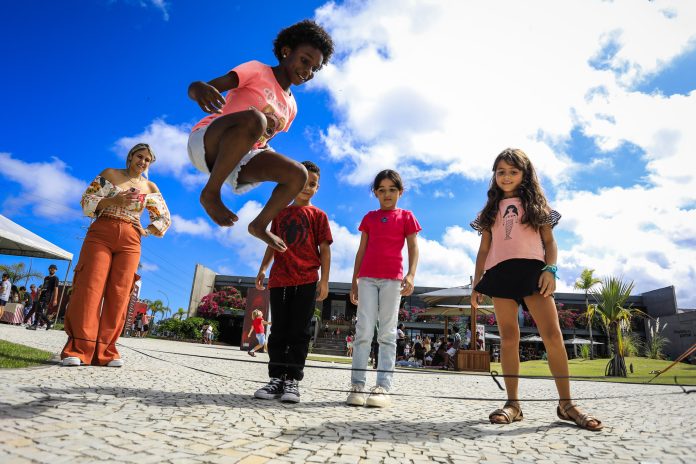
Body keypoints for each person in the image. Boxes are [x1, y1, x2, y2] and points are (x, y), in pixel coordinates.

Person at [470, 148, 602, 431]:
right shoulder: (489, 211)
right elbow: (484, 249)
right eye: (501, 171)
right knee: (508, 337)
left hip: (533, 273)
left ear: (525, 174)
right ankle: (513, 404)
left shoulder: (537, 206)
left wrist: (550, 269)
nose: (506, 177)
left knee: (553, 335)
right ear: (494, 175)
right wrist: (476, 283)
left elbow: (550, 243)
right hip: (499, 274)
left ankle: (566, 404)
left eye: (513, 171)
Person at [186, 20, 334, 252]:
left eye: (314, 69)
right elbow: (208, 87)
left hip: (237, 159)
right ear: (286, 51)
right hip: (208, 141)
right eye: (305, 61)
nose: (308, 71)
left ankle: (259, 225)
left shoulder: (292, 106)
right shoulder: (258, 70)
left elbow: (264, 141)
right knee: (256, 119)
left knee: (299, 174)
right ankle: (210, 192)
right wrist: (197, 88)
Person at [60, 143, 171, 367]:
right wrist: (114, 200)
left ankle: (106, 351)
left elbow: (164, 217)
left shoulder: (150, 187)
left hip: (131, 238)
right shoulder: (110, 174)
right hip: (102, 231)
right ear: (130, 157)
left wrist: (147, 230)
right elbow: (86, 202)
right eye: (139, 156)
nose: (143, 161)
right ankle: (79, 349)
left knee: (120, 293)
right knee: (90, 287)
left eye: (147, 160)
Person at [252, 160, 332, 403]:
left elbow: (325, 249)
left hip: (307, 280)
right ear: (294, 183)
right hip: (279, 280)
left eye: (313, 184)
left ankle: (292, 380)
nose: (308, 187)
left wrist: (325, 281)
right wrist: (263, 268)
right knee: (278, 332)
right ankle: (276, 378)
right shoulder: (280, 213)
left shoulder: (319, 215)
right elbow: (270, 243)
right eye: (304, 183)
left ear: (318, 188)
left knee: (299, 332)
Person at [346, 169, 421, 408]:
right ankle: (357, 385)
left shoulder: (407, 217)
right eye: (382, 190)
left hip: (392, 280)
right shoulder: (369, 218)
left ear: (400, 192)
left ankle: (382, 388)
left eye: (392, 190)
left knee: (388, 334)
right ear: (375, 193)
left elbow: (413, 248)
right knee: (363, 331)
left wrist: (410, 274)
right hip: (367, 278)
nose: (387, 194)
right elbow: (361, 251)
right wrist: (354, 281)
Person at [26, 264, 59, 330]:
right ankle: (48, 322)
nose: (52, 269)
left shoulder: (55, 278)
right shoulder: (46, 278)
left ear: (55, 270)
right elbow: (44, 286)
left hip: (47, 297)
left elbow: (56, 289)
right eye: (51, 268)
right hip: (41, 296)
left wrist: (55, 299)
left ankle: (35, 325)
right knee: (38, 310)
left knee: (39, 311)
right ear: (49, 269)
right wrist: (40, 292)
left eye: (53, 269)